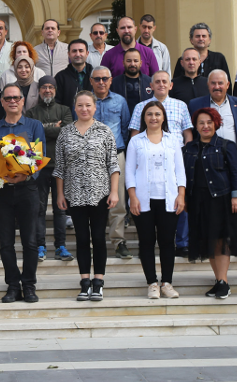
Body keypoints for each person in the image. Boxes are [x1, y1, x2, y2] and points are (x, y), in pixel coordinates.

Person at [0, 84, 47, 303]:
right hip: (3, 190)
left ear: (22, 100)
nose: (12, 101)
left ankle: (29, 285)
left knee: (30, 241)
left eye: (16, 97)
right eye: (7, 98)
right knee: (6, 243)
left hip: (27, 189)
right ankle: (12, 285)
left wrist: (26, 175)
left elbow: (39, 157)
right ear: (2, 102)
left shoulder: (35, 126)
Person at [54, 91, 119, 301]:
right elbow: (60, 167)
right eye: (80, 105)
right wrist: (60, 194)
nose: (84, 109)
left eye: (88, 105)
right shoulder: (65, 133)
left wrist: (115, 191)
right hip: (74, 194)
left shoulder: (105, 131)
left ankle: (98, 282)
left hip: (100, 193)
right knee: (82, 238)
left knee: (98, 238)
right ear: (75, 107)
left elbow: (113, 165)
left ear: (95, 107)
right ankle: (84, 282)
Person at [126, 101, 187, 299]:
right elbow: (129, 172)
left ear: (163, 118)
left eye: (157, 114)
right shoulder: (136, 141)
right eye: (149, 114)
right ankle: (152, 283)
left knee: (168, 242)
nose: (153, 117)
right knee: (146, 241)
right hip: (143, 199)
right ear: (144, 118)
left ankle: (167, 283)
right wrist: (133, 196)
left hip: (168, 198)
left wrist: (181, 194)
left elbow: (180, 170)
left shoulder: (172, 140)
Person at [182, 108, 237, 299]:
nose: (205, 126)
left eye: (209, 122)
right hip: (198, 201)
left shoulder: (226, 145)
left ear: (216, 123)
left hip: (221, 199)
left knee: (221, 240)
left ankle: (223, 281)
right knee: (207, 241)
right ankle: (218, 281)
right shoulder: (189, 148)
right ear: (196, 126)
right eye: (201, 122)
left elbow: (235, 172)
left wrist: (236, 196)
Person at [26, 76, 74, 262]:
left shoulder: (65, 110)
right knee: (38, 209)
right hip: (39, 167)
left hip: (61, 166)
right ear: (39, 91)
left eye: (50, 87)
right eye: (44, 87)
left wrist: (42, 129)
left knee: (60, 208)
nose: (47, 90)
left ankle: (60, 246)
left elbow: (68, 131)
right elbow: (31, 135)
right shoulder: (31, 112)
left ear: (55, 90)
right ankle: (40, 246)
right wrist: (53, 127)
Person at [89, 65, 132, 259]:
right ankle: (94, 240)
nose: (101, 82)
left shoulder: (120, 101)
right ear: (91, 81)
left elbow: (125, 127)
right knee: (91, 200)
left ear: (110, 80)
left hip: (116, 155)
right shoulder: (85, 101)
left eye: (104, 79)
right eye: (97, 79)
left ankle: (118, 241)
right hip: (90, 157)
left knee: (119, 201)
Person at [188, 70, 237, 151]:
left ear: (227, 85)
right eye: (213, 83)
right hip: (206, 156)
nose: (217, 87)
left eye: (220, 83)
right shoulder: (195, 105)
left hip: (233, 155)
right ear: (208, 85)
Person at [130, 71, 192, 146]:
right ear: (151, 86)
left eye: (164, 81)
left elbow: (187, 133)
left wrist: (186, 152)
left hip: (176, 152)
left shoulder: (181, 106)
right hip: (148, 153)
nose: (161, 84)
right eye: (157, 82)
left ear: (170, 85)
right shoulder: (140, 107)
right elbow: (135, 134)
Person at [53, 39, 93, 113]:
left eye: (81, 51)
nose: (77, 54)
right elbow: (57, 103)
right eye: (74, 51)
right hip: (69, 120)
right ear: (69, 54)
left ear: (87, 53)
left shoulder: (95, 75)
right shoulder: (60, 77)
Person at [111, 48, 153, 115]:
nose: (132, 64)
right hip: (122, 122)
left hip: (144, 122)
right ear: (123, 63)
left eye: (136, 61)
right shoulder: (114, 83)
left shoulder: (150, 82)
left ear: (141, 63)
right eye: (129, 61)